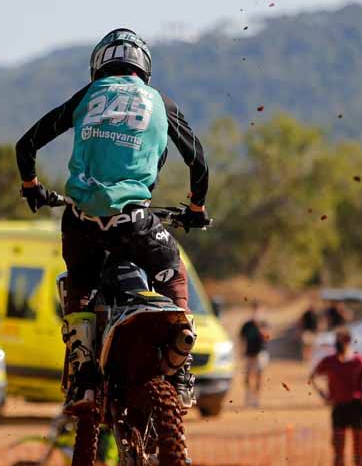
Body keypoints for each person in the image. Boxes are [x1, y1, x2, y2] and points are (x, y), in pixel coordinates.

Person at [15, 29, 210, 414]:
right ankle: (183, 361)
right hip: (135, 221)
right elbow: (199, 163)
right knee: (174, 270)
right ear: (145, 69)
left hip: (81, 221)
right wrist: (196, 209)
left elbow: (26, 145)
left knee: (80, 287)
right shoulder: (159, 102)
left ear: (98, 66)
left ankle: (84, 373)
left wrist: (32, 186)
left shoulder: (88, 96)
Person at [309, 329, 362, 466]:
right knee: (338, 448)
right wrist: (323, 395)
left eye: (342, 340)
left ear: (349, 341)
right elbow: (312, 377)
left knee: (359, 448)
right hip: (338, 406)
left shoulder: (359, 361)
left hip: (357, 406)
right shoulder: (329, 361)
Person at [239, 305, 269, 409]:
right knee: (247, 377)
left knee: (259, 377)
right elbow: (241, 338)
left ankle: (256, 399)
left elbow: (268, 337)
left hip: (260, 353)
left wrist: (259, 327)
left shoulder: (263, 323)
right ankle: (248, 397)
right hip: (249, 354)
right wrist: (241, 351)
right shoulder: (247, 324)